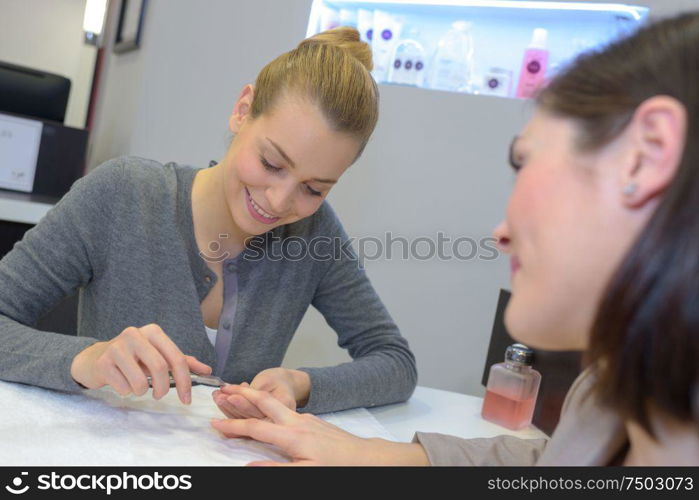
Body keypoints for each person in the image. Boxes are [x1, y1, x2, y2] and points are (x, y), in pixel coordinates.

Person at [209, 13, 699, 465]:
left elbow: (393, 360)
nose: (501, 235)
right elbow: (549, 464)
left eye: (523, 162)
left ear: (646, 157)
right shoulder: (606, 392)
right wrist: (380, 458)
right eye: (273, 163)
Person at [0, 27, 417, 417]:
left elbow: (395, 363)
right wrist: (84, 359)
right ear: (242, 110)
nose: (278, 200)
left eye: (314, 189)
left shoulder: (314, 233)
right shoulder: (123, 194)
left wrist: (301, 383)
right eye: (271, 163)